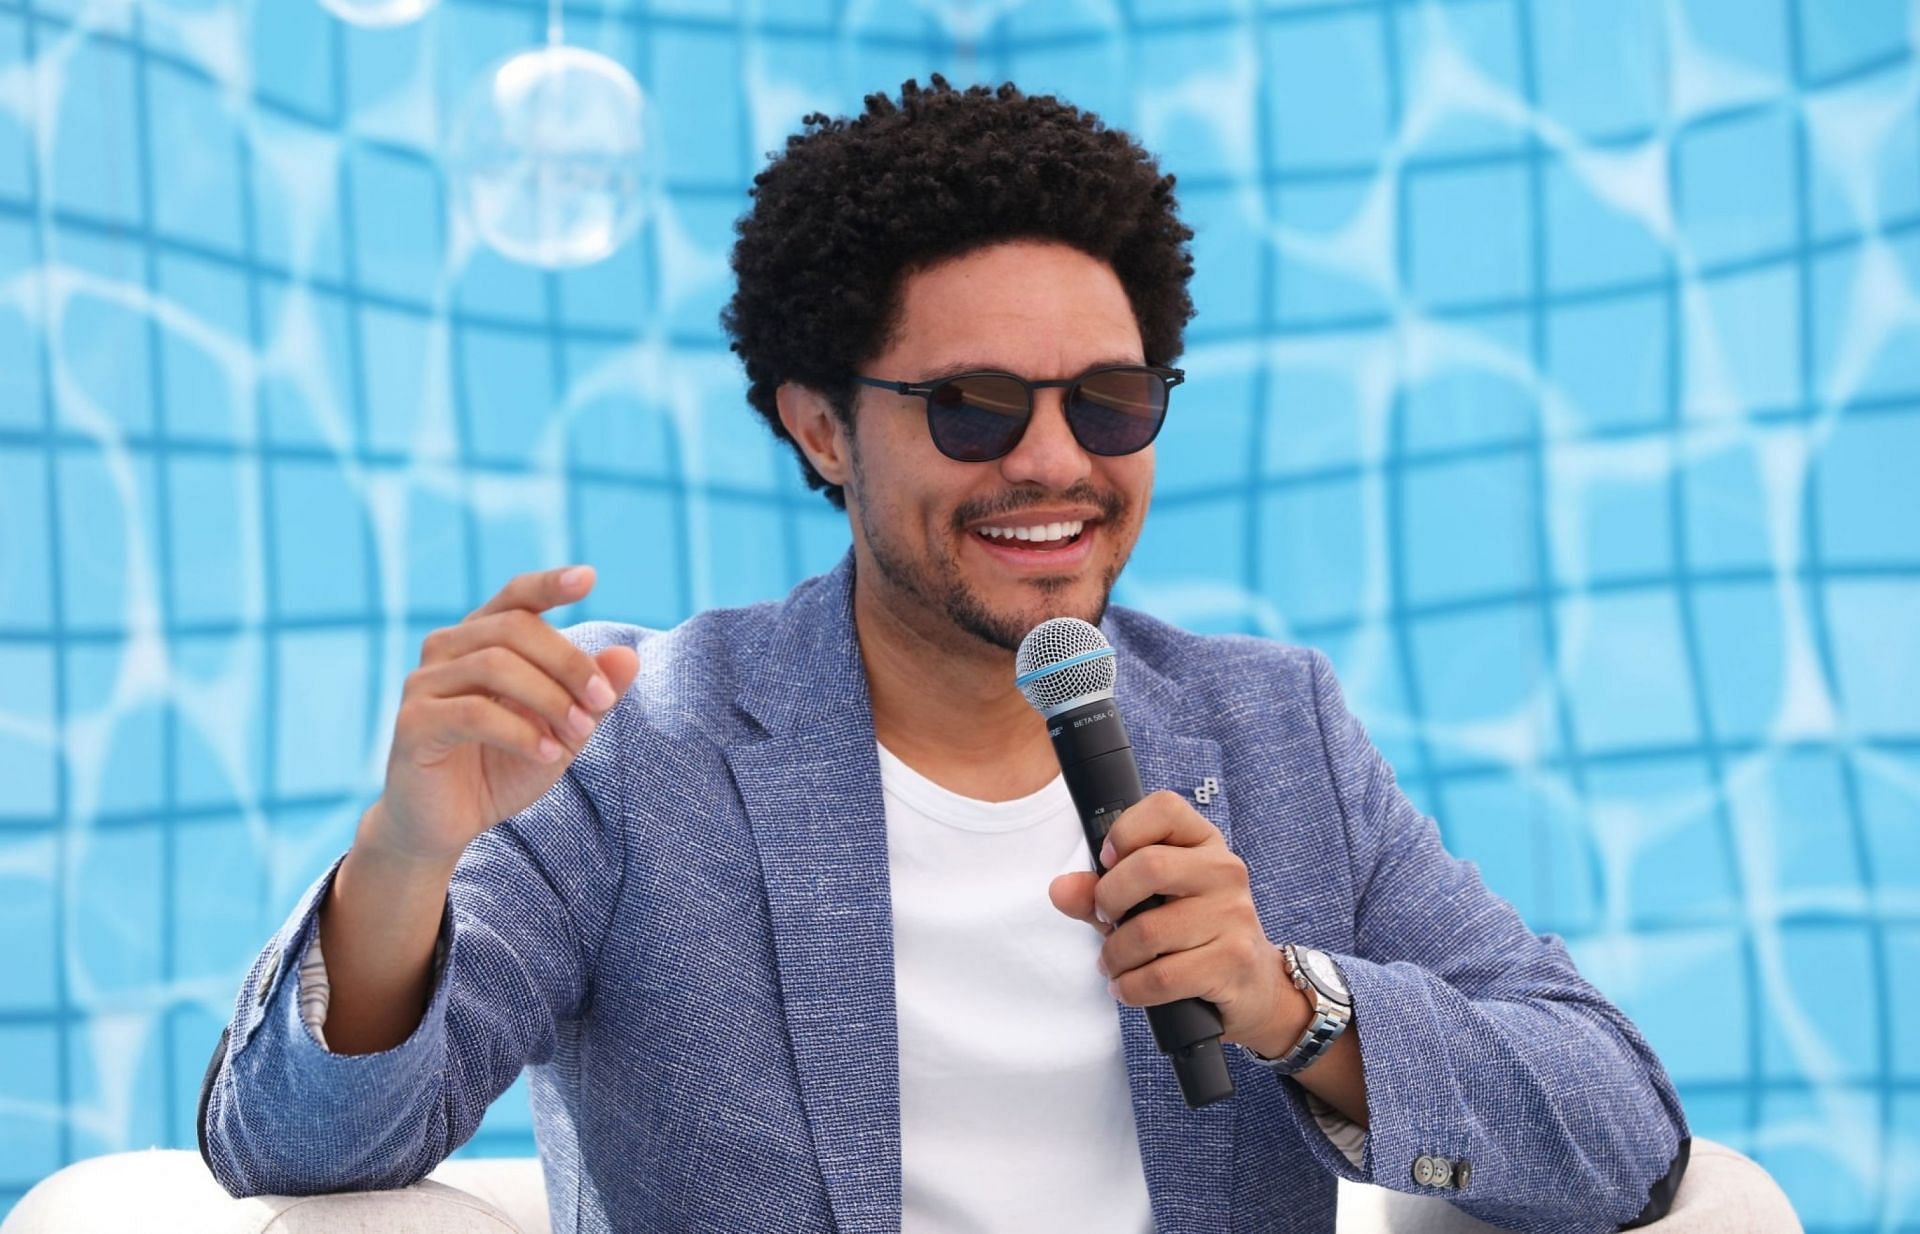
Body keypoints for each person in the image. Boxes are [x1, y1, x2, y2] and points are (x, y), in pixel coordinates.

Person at [198, 75, 1691, 1232]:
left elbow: (1622, 1120)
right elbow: (296, 1143)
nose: (1055, 463)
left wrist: (1295, 1006)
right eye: (974, 406)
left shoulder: (1273, 725)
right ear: (820, 426)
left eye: (1109, 401)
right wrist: (403, 854)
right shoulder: (635, 744)